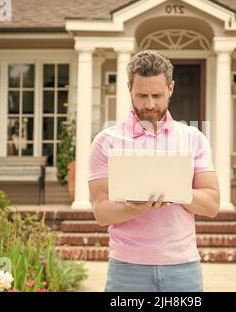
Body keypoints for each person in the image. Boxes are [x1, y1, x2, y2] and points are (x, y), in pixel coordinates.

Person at [88, 50, 220, 292]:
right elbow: (101, 212)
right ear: (129, 88)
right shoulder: (106, 141)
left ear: (171, 88)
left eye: (157, 95)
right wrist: (136, 207)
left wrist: (176, 191)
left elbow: (212, 204)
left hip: (183, 268)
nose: (150, 104)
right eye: (142, 95)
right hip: (127, 270)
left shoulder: (193, 139)